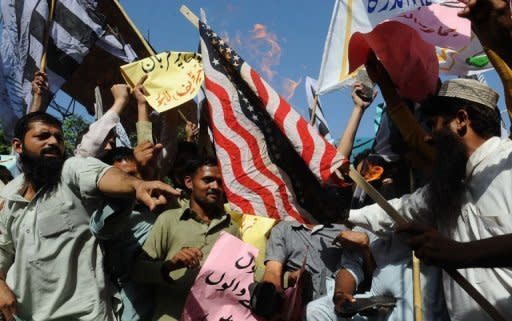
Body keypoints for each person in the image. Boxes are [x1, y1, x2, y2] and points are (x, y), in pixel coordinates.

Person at [348, 78, 512, 321]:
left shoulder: (508, 163)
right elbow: (394, 211)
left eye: (433, 125)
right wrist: (340, 213)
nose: (427, 138)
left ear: (461, 121)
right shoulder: (447, 187)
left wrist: (459, 253)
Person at [0, 112, 179, 321]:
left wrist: (136, 184)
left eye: (58, 138)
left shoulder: (70, 170)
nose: (53, 142)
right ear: (18, 146)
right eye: (43, 136)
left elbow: (102, 175)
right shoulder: (10, 195)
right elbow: (3, 249)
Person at [132, 158, 240, 321]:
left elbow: (242, 271)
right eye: (208, 180)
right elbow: (138, 270)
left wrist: (285, 277)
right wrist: (169, 266)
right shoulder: (169, 220)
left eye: (219, 182)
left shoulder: (231, 227)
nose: (215, 187)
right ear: (189, 182)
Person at [90, 147, 159, 321]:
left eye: (137, 174)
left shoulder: (162, 205)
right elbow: (101, 229)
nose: (134, 181)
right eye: (124, 177)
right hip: (134, 306)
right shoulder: (110, 213)